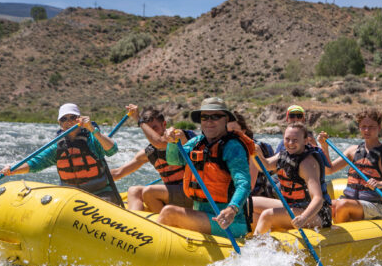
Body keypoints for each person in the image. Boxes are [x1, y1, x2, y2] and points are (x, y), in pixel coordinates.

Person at [157, 97, 254, 238]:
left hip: (229, 223)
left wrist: (232, 209)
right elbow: (174, 160)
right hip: (202, 215)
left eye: (215, 116)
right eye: (205, 117)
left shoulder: (233, 147)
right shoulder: (197, 142)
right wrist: (172, 142)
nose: (209, 121)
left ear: (226, 119)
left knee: (169, 212)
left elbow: (244, 184)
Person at [0, 103, 121, 204]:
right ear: (60, 124)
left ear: (80, 119)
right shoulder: (57, 146)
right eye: (64, 119)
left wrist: (93, 130)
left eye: (72, 117)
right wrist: (13, 169)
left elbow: (112, 149)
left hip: (100, 194)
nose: (68, 122)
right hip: (71, 196)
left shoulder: (93, 138)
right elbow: (35, 163)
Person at [320, 109, 382, 223]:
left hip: (375, 206)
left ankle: (341, 236)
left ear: (379, 127)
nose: (367, 130)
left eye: (371, 127)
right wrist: (324, 147)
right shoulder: (353, 151)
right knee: (320, 206)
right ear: (359, 127)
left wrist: (380, 184)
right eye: (363, 126)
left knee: (343, 205)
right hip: (349, 200)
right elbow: (329, 170)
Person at [110, 105, 196, 212]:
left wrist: (139, 120)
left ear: (164, 124)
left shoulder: (178, 136)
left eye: (154, 127)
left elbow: (160, 143)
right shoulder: (148, 153)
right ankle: (134, 224)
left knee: (149, 191)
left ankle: (164, 224)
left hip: (191, 194)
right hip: (172, 195)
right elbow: (119, 172)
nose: (152, 132)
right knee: (134, 190)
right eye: (149, 129)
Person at [252, 122, 332, 234]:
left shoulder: (307, 164)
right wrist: (256, 154)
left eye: (295, 140)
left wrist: (303, 217)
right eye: (287, 139)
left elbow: (318, 199)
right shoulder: (284, 154)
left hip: (316, 214)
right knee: (250, 203)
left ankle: (255, 248)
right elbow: (266, 165)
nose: (290, 143)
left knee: (267, 215)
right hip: (292, 206)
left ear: (305, 141)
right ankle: (261, 235)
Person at [227, 112, 275, 198]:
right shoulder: (226, 149)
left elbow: (249, 187)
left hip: (253, 197)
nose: (229, 134)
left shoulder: (252, 149)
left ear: (243, 131)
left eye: (233, 130)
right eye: (226, 131)